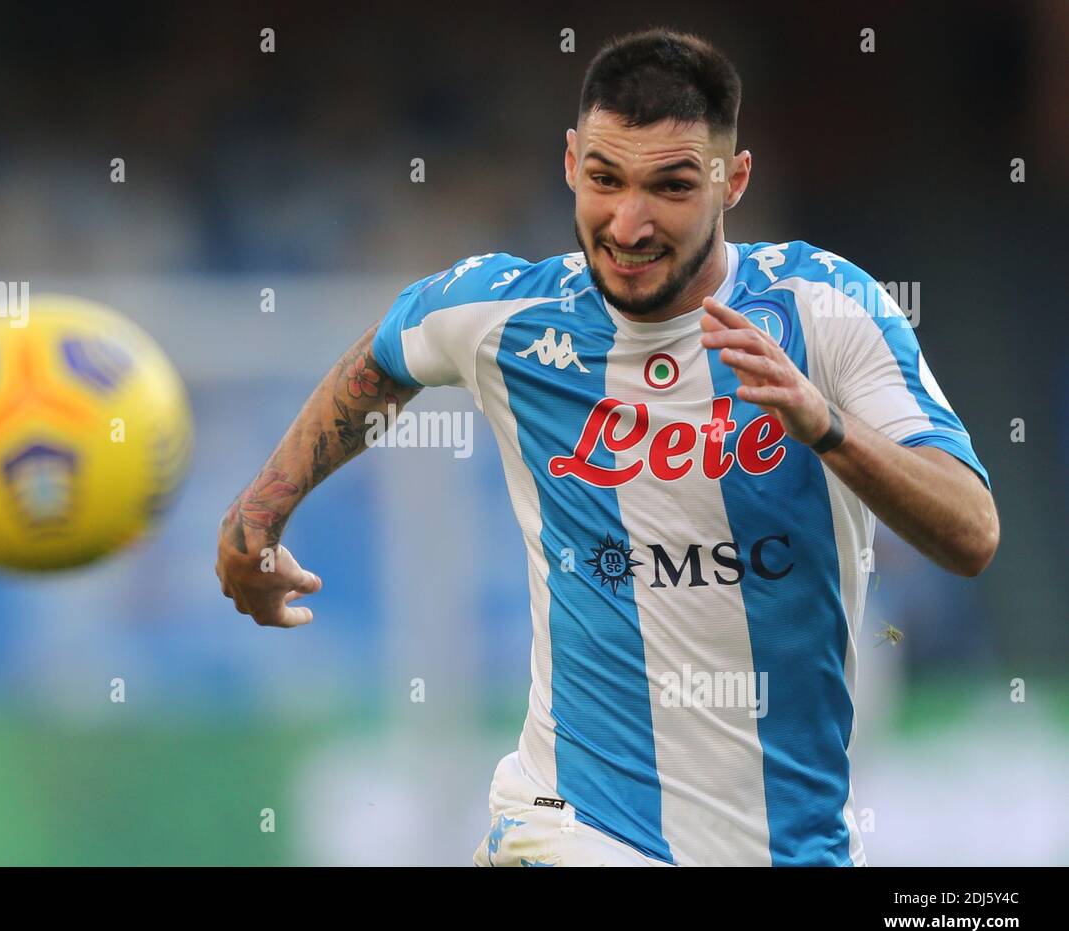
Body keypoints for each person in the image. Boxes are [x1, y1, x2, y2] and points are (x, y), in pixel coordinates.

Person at [215, 28, 999, 866]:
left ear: (732, 182)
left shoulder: (826, 309)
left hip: (793, 846)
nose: (628, 223)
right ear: (569, 163)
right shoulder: (506, 316)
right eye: (604, 179)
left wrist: (827, 428)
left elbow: (972, 532)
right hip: (570, 826)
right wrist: (254, 523)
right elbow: (379, 362)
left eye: (669, 186)